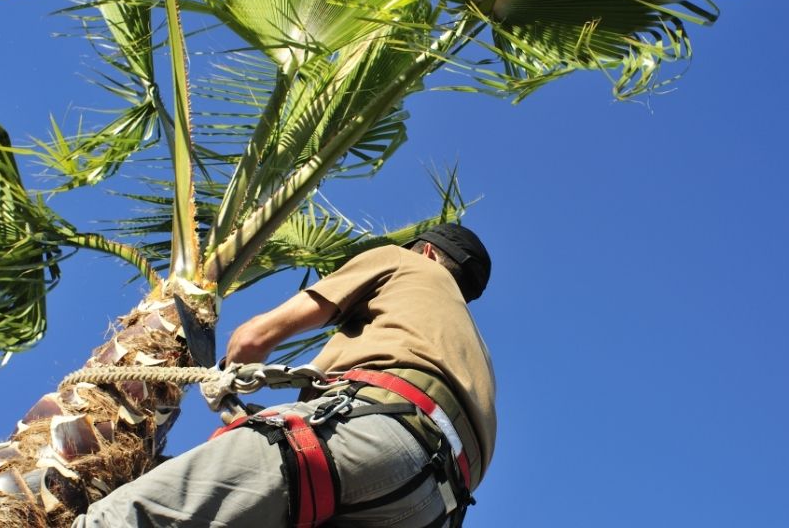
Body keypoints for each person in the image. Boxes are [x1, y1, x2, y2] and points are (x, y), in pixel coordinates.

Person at [73, 223, 496, 528]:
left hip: (369, 438)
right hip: (435, 506)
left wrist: (227, 371)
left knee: (126, 517)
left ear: (426, 251)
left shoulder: (406, 263)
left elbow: (256, 339)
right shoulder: (475, 351)